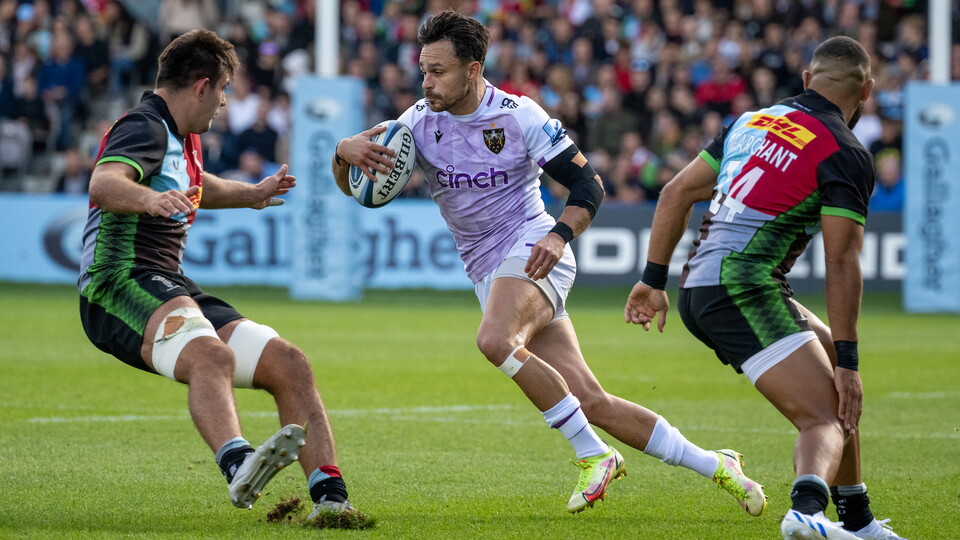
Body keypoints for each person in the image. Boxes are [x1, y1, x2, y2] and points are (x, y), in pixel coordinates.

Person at [332, 10, 766, 517]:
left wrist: (560, 236)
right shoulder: (415, 124)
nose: (426, 82)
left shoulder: (519, 116)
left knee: (495, 341)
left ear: (473, 70)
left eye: (438, 71)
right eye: (423, 71)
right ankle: (716, 464)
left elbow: (588, 185)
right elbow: (359, 189)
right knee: (591, 400)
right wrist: (344, 152)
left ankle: (594, 455)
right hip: (486, 269)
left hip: (534, 247)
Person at [624, 36, 906, 540]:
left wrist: (652, 280)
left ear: (807, 79)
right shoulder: (845, 151)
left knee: (825, 351)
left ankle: (858, 520)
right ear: (866, 90)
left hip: (698, 285)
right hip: (743, 289)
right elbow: (842, 261)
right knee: (827, 417)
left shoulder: (751, 120)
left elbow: (674, 193)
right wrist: (851, 363)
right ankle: (806, 511)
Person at [78, 29, 361, 525]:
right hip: (117, 282)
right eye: (224, 89)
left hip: (168, 281)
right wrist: (149, 199)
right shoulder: (143, 127)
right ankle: (238, 464)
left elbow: (196, 185)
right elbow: (103, 182)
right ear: (201, 86)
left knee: (290, 363)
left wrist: (251, 194)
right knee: (212, 355)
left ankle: (331, 499)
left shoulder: (181, 136)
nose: (226, 102)